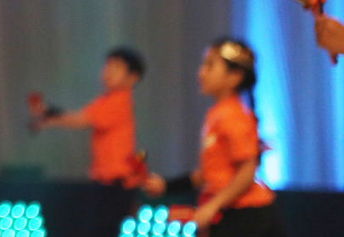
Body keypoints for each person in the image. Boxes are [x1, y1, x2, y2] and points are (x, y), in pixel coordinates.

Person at [144, 37, 286, 236]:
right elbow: (210, 174)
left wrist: (213, 205)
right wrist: (168, 186)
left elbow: (247, 172)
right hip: (232, 214)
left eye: (210, 65)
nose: (201, 72)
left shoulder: (234, 116)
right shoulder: (217, 114)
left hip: (248, 216)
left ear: (235, 76)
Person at [30, 46, 145, 236]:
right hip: (107, 184)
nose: (108, 71)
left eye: (116, 67)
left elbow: (81, 119)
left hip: (116, 185)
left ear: (133, 78)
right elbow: (78, 117)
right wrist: (48, 116)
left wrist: (48, 113)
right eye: (107, 66)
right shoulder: (106, 101)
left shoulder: (119, 102)